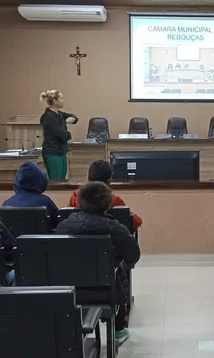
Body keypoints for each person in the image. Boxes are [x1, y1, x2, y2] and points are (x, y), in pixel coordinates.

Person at [56, 181, 141, 345]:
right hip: (106, 290)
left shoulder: (64, 226)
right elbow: (133, 256)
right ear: (108, 204)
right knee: (117, 272)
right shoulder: (116, 228)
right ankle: (119, 330)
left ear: (79, 202)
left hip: (68, 289)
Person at [67, 160, 142, 229]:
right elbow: (136, 222)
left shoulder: (76, 196)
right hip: (110, 241)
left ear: (89, 178)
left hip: (79, 242)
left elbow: (65, 217)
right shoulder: (114, 200)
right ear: (109, 181)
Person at [40, 90, 79, 180]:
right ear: (54, 101)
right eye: (61, 98)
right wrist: (66, 124)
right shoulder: (49, 117)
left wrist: (72, 118)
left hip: (61, 152)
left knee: (62, 180)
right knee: (56, 181)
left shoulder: (59, 114)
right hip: (53, 153)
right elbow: (63, 135)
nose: (64, 100)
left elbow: (75, 117)